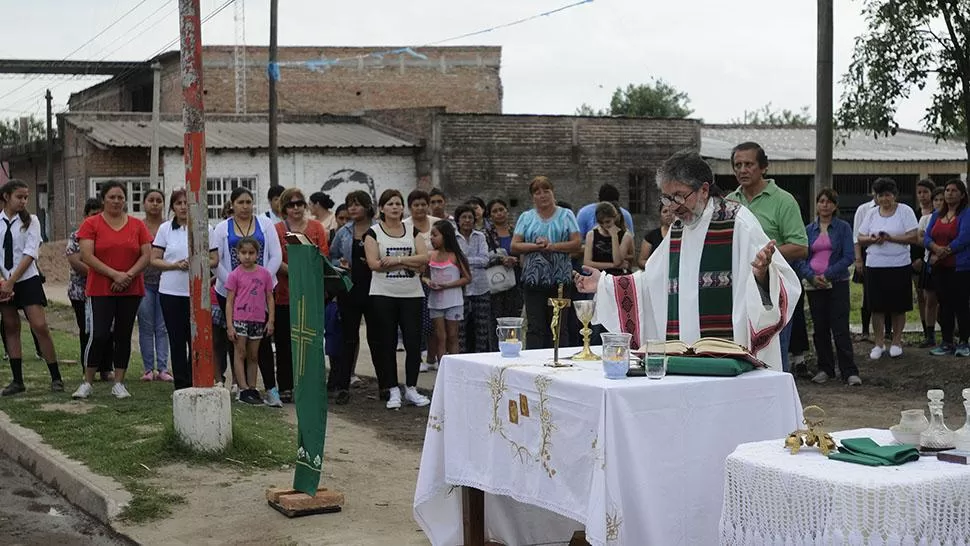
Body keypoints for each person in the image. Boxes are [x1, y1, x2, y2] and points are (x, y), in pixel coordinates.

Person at [574, 151, 800, 371]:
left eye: (680, 196)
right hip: (684, 354)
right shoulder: (679, 228)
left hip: (729, 359)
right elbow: (652, 281)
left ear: (703, 190)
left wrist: (763, 275)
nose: (673, 206)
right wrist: (606, 284)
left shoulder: (738, 222)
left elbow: (783, 284)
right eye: (667, 198)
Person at [727, 141, 808, 373]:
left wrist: (766, 256)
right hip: (737, 290)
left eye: (749, 164)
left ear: (763, 167)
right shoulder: (729, 202)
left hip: (772, 290)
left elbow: (801, 246)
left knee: (773, 353)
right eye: (738, 165)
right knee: (741, 350)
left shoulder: (784, 200)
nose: (742, 170)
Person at [72, 181, 152, 399]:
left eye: (120, 197)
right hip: (101, 288)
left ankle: (119, 382)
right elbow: (87, 256)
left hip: (131, 287)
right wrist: (114, 275)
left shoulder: (137, 225)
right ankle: (87, 381)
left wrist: (127, 276)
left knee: (123, 335)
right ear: (103, 199)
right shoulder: (91, 224)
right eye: (112, 197)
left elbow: (146, 255)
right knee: (98, 334)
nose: (116, 201)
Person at [212, 187, 283, 405]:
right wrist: (237, 283)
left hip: (262, 292)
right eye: (240, 202)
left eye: (248, 202)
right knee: (236, 341)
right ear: (232, 204)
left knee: (260, 342)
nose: (245, 206)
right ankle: (241, 387)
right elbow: (217, 261)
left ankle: (269, 388)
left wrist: (261, 281)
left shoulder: (265, 224)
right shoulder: (222, 228)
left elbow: (276, 255)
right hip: (231, 291)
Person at [363, 189, 431, 409]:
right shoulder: (373, 233)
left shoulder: (413, 232)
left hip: (411, 295)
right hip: (383, 295)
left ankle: (411, 387)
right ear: (382, 208)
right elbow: (374, 264)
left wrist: (397, 260)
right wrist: (409, 263)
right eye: (390, 204)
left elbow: (424, 259)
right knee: (387, 343)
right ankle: (393, 389)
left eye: (398, 204)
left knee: (413, 343)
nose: (395, 207)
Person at [0, 180, 64, 395]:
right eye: (19, 196)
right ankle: (17, 380)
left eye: (26, 197)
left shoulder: (32, 221)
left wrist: (12, 281)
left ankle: (56, 377)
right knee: (10, 326)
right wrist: (3, 281)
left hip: (26, 279)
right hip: (3, 280)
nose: (23, 201)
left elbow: (30, 253)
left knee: (39, 326)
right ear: (6, 196)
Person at [152, 189, 218, 391]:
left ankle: (195, 378)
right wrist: (174, 265)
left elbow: (215, 259)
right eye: (178, 203)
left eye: (186, 203)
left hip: (196, 292)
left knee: (195, 338)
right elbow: (154, 259)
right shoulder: (165, 229)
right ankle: (180, 383)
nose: (183, 207)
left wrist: (198, 263)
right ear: (172, 207)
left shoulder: (204, 227)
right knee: (177, 338)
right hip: (171, 292)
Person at [794, 189, 860, 385]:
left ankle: (849, 371)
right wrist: (812, 277)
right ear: (817, 205)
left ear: (835, 206)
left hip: (837, 283)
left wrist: (827, 274)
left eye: (829, 202)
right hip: (814, 286)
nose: (825, 205)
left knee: (840, 328)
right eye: (821, 201)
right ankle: (825, 368)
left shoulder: (843, 228)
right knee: (820, 328)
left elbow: (849, 256)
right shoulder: (807, 230)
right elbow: (800, 258)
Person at [511, 176, 582, 349]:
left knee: (559, 326)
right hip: (533, 279)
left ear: (553, 192)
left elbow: (577, 243)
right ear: (532, 197)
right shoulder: (526, 217)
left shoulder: (566, 215)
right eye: (537, 192)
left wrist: (553, 246)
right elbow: (514, 245)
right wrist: (536, 246)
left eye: (546, 191)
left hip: (560, 279)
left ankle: (560, 361)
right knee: (535, 326)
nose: (542, 195)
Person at [274, 187, 329, 403]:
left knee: (311, 342)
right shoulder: (278, 229)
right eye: (291, 204)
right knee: (285, 342)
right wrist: (298, 272)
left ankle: (311, 385)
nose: (295, 208)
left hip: (312, 293)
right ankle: (286, 386)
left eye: (299, 203)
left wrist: (308, 273)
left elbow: (323, 254)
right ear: (284, 208)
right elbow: (276, 258)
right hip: (285, 294)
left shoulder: (316, 227)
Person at [858, 177, 919, 359]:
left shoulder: (905, 211)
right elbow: (860, 237)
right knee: (876, 306)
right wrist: (873, 239)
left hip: (899, 264)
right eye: (880, 196)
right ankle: (878, 343)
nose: (884, 199)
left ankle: (897, 341)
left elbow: (913, 237)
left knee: (898, 305)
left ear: (894, 195)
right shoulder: (871, 213)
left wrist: (890, 238)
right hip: (875, 265)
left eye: (887, 195)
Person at [329, 191, 380, 405]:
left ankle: (386, 386)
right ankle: (342, 385)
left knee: (378, 338)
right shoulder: (343, 232)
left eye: (357, 204)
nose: (352, 208)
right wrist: (339, 264)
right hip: (349, 289)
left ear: (368, 206)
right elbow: (332, 255)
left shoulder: (379, 229)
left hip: (377, 288)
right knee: (348, 338)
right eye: (350, 204)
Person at [66, 198, 114, 382]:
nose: (96, 218)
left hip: (105, 290)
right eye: (92, 214)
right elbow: (76, 261)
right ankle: (88, 369)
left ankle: (106, 368)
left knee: (108, 330)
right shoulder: (76, 236)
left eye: (98, 214)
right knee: (87, 330)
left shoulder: (107, 234)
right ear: (85, 216)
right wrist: (100, 272)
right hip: (81, 292)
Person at [225, 237, 275, 405]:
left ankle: (252, 387)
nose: (247, 256)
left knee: (254, 355)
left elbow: (269, 298)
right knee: (240, 353)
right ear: (237, 254)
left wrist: (271, 321)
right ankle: (243, 388)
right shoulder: (234, 275)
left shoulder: (264, 274)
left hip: (258, 320)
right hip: (240, 320)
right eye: (243, 253)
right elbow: (230, 301)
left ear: (257, 254)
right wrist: (230, 325)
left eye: (251, 253)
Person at [924, 179, 970, 356]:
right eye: (947, 190)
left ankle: (964, 342)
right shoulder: (936, 215)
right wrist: (935, 248)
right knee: (944, 304)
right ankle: (947, 342)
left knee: (961, 304)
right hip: (939, 267)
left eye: (954, 190)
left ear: (962, 194)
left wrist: (945, 252)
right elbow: (927, 237)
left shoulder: (966, 214)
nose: (949, 193)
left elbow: (965, 238)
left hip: (960, 267)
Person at [403, 190, 441, 371]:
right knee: (416, 321)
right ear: (410, 207)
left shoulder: (438, 224)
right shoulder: (404, 226)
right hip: (413, 277)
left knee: (435, 319)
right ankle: (417, 357)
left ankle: (432, 358)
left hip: (439, 277)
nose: (420, 208)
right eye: (415, 205)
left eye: (423, 204)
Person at [138, 189, 171, 382]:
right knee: (146, 326)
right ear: (144, 203)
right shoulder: (138, 226)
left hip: (166, 283)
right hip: (144, 283)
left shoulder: (168, 227)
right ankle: (148, 368)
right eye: (151, 200)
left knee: (162, 327)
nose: (155, 204)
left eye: (159, 200)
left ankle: (163, 368)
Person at [425, 220, 470, 358]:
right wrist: (428, 282)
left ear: (445, 235)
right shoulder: (430, 255)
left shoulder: (456, 256)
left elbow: (467, 278)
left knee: (453, 335)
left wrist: (448, 285)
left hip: (454, 302)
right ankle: (441, 366)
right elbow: (423, 275)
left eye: (435, 235)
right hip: (435, 303)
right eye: (431, 235)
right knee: (440, 336)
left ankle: (454, 364)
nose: (432, 238)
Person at [455, 204, 495, 353]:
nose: (467, 220)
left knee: (482, 329)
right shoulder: (453, 237)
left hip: (481, 287)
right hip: (460, 288)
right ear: (458, 220)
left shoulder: (480, 236)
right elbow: (453, 260)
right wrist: (467, 260)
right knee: (461, 329)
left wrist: (463, 260)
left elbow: (485, 260)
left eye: (470, 217)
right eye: (463, 217)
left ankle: (481, 358)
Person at [852, 188, 891, 342]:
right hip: (868, 254)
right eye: (879, 194)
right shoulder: (863, 209)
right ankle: (866, 332)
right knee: (868, 294)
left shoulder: (895, 210)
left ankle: (888, 331)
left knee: (889, 294)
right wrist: (858, 259)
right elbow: (857, 235)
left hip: (889, 256)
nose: (882, 197)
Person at [484, 198, 522, 323]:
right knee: (496, 319)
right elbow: (482, 259)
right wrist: (501, 260)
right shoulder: (485, 235)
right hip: (495, 281)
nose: (499, 213)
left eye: (501, 210)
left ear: (507, 211)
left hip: (516, 280)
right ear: (490, 216)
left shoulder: (517, 232)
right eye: (495, 211)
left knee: (514, 317)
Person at [918, 187, 945, 349]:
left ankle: (949, 333)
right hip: (930, 261)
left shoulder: (955, 218)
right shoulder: (926, 219)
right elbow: (921, 239)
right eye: (936, 200)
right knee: (929, 300)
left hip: (949, 262)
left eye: (942, 199)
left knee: (948, 300)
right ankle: (930, 335)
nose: (939, 202)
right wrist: (934, 249)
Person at [912, 179, 937, 347]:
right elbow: (913, 238)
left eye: (925, 192)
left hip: (933, 259)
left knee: (935, 297)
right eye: (919, 192)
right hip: (916, 260)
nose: (922, 196)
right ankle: (926, 331)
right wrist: (914, 259)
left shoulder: (939, 213)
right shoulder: (913, 213)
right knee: (921, 296)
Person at [584, 202, 634, 276]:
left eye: (608, 222)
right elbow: (587, 263)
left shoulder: (625, 236)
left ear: (614, 218)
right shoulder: (591, 235)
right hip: (597, 276)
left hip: (616, 276)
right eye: (601, 222)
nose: (604, 225)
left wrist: (614, 236)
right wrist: (612, 265)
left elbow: (617, 261)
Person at [639, 204, 674, 268]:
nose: (669, 214)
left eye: (672, 211)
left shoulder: (684, 235)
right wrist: (656, 266)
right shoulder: (651, 236)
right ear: (660, 215)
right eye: (665, 211)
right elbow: (641, 261)